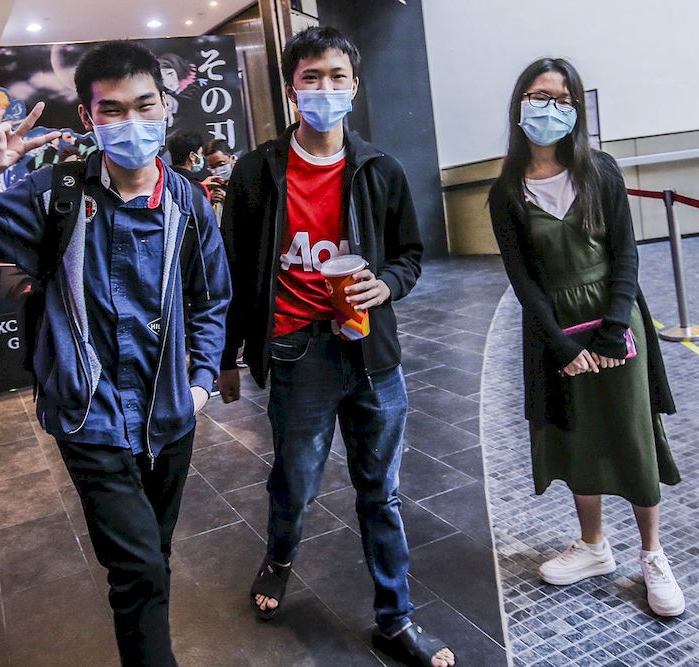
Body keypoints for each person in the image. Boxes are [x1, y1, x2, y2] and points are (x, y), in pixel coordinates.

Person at [0, 40, 231, 665]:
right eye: (112, 110)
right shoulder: (55, 194)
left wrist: (199, 382)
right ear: (90, 120)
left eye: (145, 105)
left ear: (167, 107)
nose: (132, 123)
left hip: (171, 414)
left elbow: (211, 301)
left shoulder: (188, 203)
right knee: (140, 566)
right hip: (89, 415)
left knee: (152, 556)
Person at [218, 26, 455, 667]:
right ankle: (280, 556)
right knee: (294, 482)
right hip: (297, 355)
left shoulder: (380, 169)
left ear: (356, 85)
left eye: (337, 78)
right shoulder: (257, 173)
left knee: (382, 491)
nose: (325, 89)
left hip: (370, 352)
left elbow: (410, 254)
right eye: (312, 78)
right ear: (293, 88)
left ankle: (395, 619)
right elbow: (236, 273)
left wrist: (389, 284)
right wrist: (229, 357)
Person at [488, 58, 684, 617]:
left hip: (617, 323)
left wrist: (613, 330)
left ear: (576, 108)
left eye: (561, 98)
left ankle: (652, 555)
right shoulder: (506, 191)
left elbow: (626, 253)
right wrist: (563, 347)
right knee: (576, 435)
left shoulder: (601, 170)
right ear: (519, 104)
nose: (548, 107)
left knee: (631, 432)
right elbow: (522, 280)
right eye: (536, 95)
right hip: (556, 330)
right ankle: (594, 545)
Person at [167, 130, 225, 206]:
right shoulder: (195, 188)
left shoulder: (165, 179)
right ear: (192, 156)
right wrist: (201, 189)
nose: (201, 158)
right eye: (200, 154)